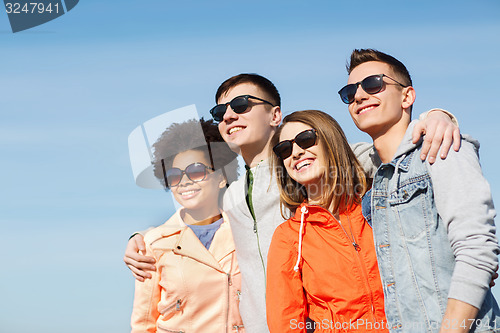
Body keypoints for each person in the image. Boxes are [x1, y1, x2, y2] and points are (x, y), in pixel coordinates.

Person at [125, 74, 461, 333]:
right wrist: (139, 240)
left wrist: (436, 116)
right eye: (220, 111)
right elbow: (189, 212)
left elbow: (396, 153)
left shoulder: (309, 164)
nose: (228, 115)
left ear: (275, 115)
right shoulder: (231, 195)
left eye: (241, 105)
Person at [338, 48, 499, 332]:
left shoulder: (442, 147)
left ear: (407, 96)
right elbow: (314, 151)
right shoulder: (373, 176)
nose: (359, 96)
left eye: (373, 84)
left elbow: (477, 249)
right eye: (350, 92)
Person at [266, 110, 388, 332]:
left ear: (330, 140)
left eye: (306, 139)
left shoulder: (379, 203)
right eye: (284, 149)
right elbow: (285, 324)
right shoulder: (289, 236)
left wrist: (438, 116)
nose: (295, 152)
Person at [130, 119, 245, 333]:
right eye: (174, 176)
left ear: (221, 177)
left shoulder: (245, 232)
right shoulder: (154, 245)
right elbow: (144, 323)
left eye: (196, 171)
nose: (184, 181)